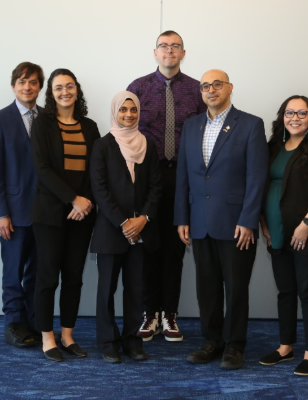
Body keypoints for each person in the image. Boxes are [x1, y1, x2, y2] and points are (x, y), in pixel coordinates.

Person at [175, 69, 268, 370]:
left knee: (236, 288)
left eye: (217, 84)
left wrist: (249, 219)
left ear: (230, 87)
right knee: (208, 287)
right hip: (199, 221)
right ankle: (212, 341)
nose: (211, 90)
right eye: (205, 86)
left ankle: (234, 346)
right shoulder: (191, 125)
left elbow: (257, 177)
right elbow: (184, 176)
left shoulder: (251, 125)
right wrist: (182, 217)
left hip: (236, 223)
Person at [127, 30, 206, 342]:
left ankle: (170, 315)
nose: (169, 51)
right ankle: (149, 314)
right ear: (155, 52)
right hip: (147, 175)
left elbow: (205, 135)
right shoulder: (138, 87)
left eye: (175, 47)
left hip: (183, 176)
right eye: (164, 46)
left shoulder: (197, 90)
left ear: (183, 53)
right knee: (148, 247)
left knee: (175, 248)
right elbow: (126, 130)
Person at [259, 95, 308, 376]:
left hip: (307, 232)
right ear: (282, 117)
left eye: (302, 113)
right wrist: (263, 222)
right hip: (276, 232)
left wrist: (306, 223)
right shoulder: (273, 147)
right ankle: (285, 348)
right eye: (290, 113)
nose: (295, 118)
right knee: (286, 292)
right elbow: (261, 185)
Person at [30, 69, 99, 362]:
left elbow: (97, 170)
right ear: (51, 92)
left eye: (69, 86)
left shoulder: (90, 126)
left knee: (73, 277)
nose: (65, 92)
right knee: (47, 277)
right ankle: (48, 337)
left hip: (81, 215)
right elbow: (42, 168)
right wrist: (73, 199)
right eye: (58, 87)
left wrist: (84, 204)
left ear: (77, 90)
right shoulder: (42, 124)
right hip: (50, 213)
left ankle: (68, 335)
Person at [90, 91, 162, 363]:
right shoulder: (103, 145)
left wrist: (142, 219)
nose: (129, 114)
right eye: (123, 110)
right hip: (111, 230)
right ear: (115, 112)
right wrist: (123, 221)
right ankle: (108, 342)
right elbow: (100, 189)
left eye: (133, 110)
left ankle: (133, 340)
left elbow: (156, 187)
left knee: (136, 289)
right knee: (106, 288)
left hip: (141, 231)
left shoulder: (149, 145)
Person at [0, 62, 44, 348]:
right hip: (14, 212)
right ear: (13, 86)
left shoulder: (48, 118)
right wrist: (1, 213)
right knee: (13, 272)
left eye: (32, 82)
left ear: (40, 87)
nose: (27, 87)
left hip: (44, 212)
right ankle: (14, 324)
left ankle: (34, 322)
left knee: (36, 272)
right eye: (22, 82)